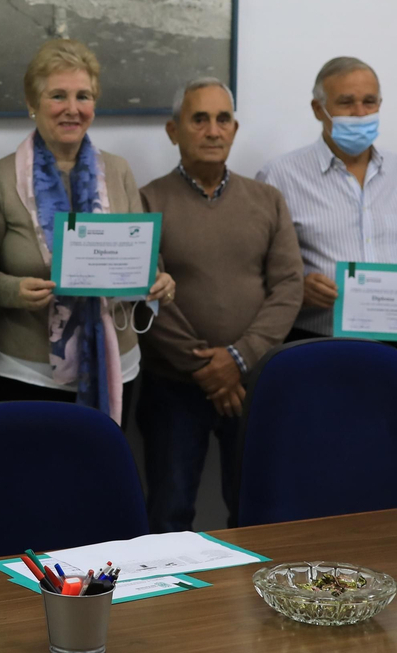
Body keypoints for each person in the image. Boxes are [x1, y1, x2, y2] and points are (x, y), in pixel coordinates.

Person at [138, 77, 302, 532]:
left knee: (256, 508)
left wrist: (237, 358)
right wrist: (207, 369)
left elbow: (289, 286)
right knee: (169, 511)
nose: (213, 130)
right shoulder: (147, 200)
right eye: (200, 119)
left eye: (223, 119)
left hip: (253, 383)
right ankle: (170, 603)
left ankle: (253, 602)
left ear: (234, 129)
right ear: (174, 131)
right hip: (173, 387)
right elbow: (146, 294)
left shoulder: (267, 200)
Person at [0, 40, 175, 422]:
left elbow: (145, 257)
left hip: (115, 361)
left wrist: (159, 282)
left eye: (83, 96)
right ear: (32, 102)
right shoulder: (0, 177)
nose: (72, 108)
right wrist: (12, 291)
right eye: (58, 96)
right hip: (27, 370)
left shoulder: (118, 170)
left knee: (96, 477)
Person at [257, 56, 397, 358]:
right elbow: (256, 270)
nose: (360, 113)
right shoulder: (280, 175)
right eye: (346, 103)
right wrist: (297, 291)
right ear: (318, 109)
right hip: (310, 342)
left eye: (369, 102)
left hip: (391, 346)